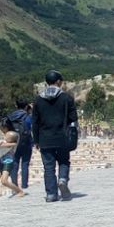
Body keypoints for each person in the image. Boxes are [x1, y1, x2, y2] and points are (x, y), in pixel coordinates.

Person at [32, 70, 78, 202]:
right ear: (58, 82)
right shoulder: (66, 98)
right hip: (62, 137)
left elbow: (35, 122)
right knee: (64, 161)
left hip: (44, 139)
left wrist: (36, 140)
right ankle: (62, 179)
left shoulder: (38, 99)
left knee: (48, 167)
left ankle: (51, 194)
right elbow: (73, 118)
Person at [0, 117, 26, 203]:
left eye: (2, 128)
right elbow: (2, 145)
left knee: (4, 181)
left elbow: (12, 144)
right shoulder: (7, 135)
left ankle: (19, 191)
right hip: (1, 160)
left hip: (8, 162)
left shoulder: (14, 135)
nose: (2, 130)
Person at [8, 98, 33, 189]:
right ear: (26, 106)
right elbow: (32, 128)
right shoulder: (28, 116)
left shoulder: (10, 116)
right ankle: (24, 185)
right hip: (26, 142)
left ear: (16, 106)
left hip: (14, 143)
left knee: (14, 164)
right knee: (25, 164)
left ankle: (14, 186)